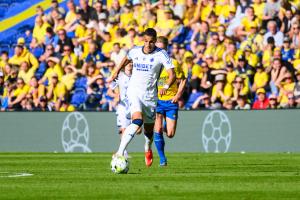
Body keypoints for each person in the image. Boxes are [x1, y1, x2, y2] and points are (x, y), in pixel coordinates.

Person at [108, 28, 176, 167]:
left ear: (155, 41)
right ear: (143, 40)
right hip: (134, 92)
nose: (148, 44)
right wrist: (116, 71)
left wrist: (165, 87)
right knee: (137, 120)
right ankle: (120, 152)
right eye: (146, 41)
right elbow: (126, 59)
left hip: (150, 96)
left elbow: (172, 74)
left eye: (151, 42)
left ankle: (147, 147)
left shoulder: (161, 54)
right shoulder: (135, 51)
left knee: (149, 131)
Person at [154, 36, 186, 166]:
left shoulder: (173, 63)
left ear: (166, 49)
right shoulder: (153, 63)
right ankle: (162, 159)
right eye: (158, 49)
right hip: (157, 101)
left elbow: (183, 79)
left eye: (162, 49)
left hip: (171, 101)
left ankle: (167, 125)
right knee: (158, 128)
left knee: (170, 134)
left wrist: (178, 95)